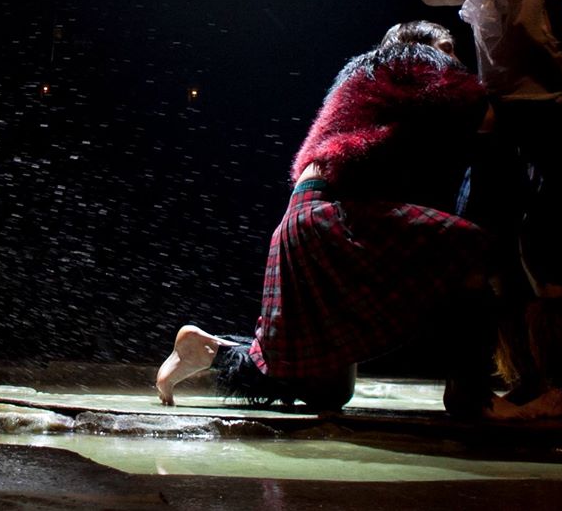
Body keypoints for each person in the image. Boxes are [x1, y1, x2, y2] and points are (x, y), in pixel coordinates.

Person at [155, 43, 524, 420]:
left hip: (301, 220)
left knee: (329, 391)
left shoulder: (369, 88)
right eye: (445, 49)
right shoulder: (413, 68)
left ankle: (211, 351)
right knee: (471, 247)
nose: (454, 60)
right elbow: (487, 116)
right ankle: (473, 398)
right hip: (331, 216)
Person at [389, 0, 562, 418]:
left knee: (543, 252)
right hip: (499, 127)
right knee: (481, 249)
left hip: (549, 122)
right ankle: (519, 379)